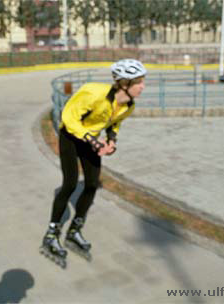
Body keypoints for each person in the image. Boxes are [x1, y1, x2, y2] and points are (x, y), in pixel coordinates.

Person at [40, 59, 146, 264]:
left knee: (91, 185)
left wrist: (112, 141)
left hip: (90, 139)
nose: (143, 86)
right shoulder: (93, 93)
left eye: (143, 82)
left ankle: (74, 231)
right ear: (124, 83)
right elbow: (69, 119)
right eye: (139, 82)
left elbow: (114, 124)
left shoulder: (128, 105)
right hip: (70, 136)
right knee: (70, 184)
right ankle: (51, 234)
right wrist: (93, 142)